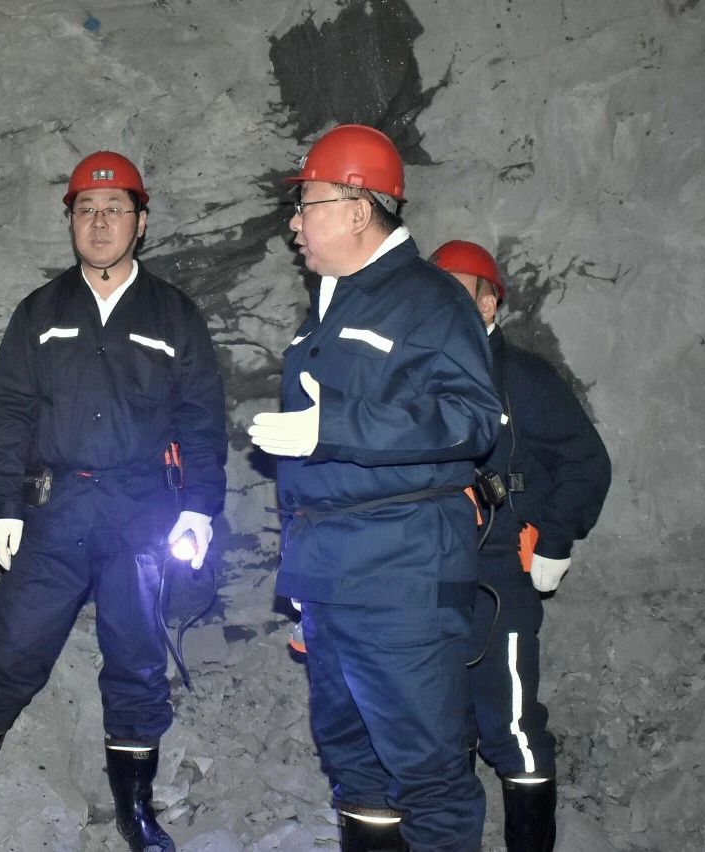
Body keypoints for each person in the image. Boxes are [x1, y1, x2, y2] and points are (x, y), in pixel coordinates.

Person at [0, 151, 227, 852]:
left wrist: (199, 507)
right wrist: (6, 505)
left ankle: (135, 810)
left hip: (141, 512)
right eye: (86, 210)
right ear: (70, 220)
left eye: (114, 209)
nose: (99, 222)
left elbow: (201, 417)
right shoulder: (40, 313)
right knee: (10, 651)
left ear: (141, 222)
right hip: (55, 510)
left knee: (137, 660)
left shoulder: (173, 315)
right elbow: (7, 411)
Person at [247, 124, 501, 852]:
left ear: (358, 209)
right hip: (334, 575)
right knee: (354, 765)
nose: (294, 224)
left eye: (307, 204)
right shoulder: (333, 306)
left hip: (401, 576)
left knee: (428, 776)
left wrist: (333, 427)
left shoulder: (428, 299)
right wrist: (304, 576)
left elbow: (472, 417)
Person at [430, 239, 611, 852]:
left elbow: (585, 462)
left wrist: (554, 540)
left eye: (461, 293)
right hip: (427, 576)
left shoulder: (524, 380)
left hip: (500, 576)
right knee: (440, 727)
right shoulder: (414, 377)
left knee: (511, 726)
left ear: (489, 304)